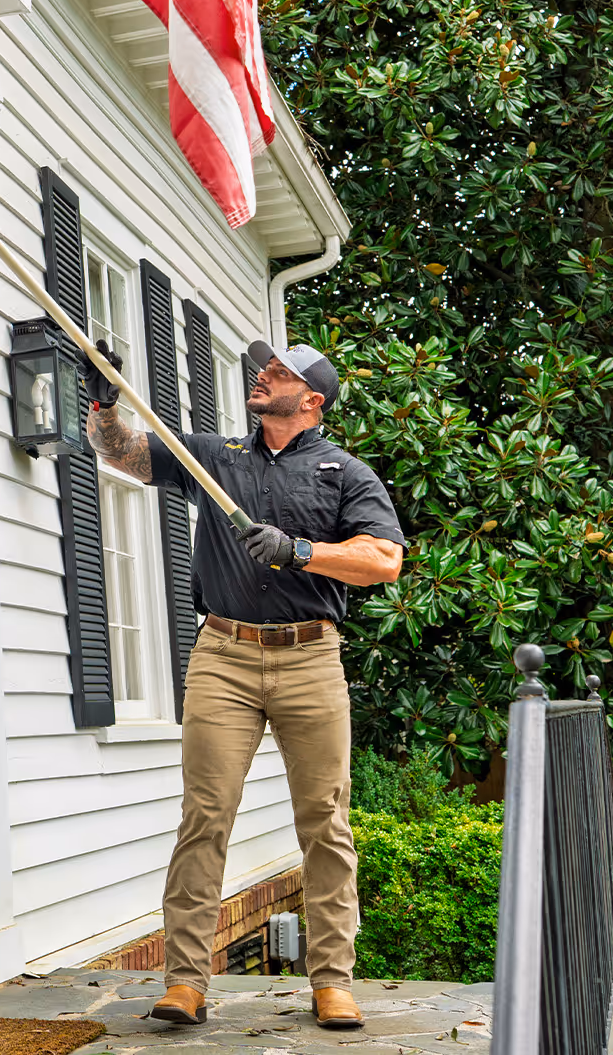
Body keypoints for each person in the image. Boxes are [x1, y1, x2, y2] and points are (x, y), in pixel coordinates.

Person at [79, 337, 405, 1030]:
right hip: (223, 655)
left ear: (311, 400)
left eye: (280, 373)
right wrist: (104, 407)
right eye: (265, 368)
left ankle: (332, 983)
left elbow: (382, 560)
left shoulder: (345, 473)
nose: (264, 376)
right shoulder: (215, 456)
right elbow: (125, 455)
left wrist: (300, 551)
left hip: (310, 658)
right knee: (205, 817)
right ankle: (185, 982)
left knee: (325, 821)